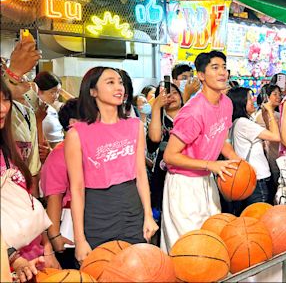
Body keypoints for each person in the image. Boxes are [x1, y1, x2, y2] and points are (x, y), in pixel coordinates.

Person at [65, 67, 158, 263]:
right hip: (96, 210)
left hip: (132, 207)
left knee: (137, 269)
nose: (119, 87)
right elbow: (77, 189)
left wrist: (148, 216)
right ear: (92, 91)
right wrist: (80, 239)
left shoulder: (134, 126)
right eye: (110, 82)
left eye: (120, 82)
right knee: (101, 270)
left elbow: (141, 174)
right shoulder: (76, 134)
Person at [161, 51, 240, 250]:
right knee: (188, 249)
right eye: (215, 67)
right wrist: (210, 164)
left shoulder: (227, 103)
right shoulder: (193, 112)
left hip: (207, 178)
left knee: (213, 242)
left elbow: (220, 139)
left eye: (224, 67)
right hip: (184, 185)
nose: (222, 72)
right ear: (201, 75)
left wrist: (238, 162)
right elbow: (169, 156)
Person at [1, 78, 59, 277]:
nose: (2, 108)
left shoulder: (9, 148)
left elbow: (28, 203)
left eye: (6, 100)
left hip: (33, 258)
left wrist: (47, 247)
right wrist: (13, 258)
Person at [40, 98, 80, 269]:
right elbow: (54, 197)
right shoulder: (59, 154)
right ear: (73, 123)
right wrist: (55, 236)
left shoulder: (89, 148)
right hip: (69, 227)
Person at [227, 87, 280, 212]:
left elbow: (269, 133)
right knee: (260, 216)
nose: (253, 101)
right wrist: (271, 111)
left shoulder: (236, 122)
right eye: (249, 99)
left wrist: (266, 114)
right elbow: (275, 137)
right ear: (241, 102)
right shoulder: (244, 123)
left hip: (250, 179)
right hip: (258, 180)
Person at [146, 83, 183, 232]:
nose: (171, 96)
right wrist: (156, 108)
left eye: (175, 92)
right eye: (165, 94)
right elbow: (154, 139)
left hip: (188, 174)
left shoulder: (190, 117)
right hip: (163, 177)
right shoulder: (158, 120)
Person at [254, 84, 282, 187]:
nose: (278, 97)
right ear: (267, 96)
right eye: (275, 94)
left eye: (280, 94)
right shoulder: (261, 115)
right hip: (271, 154)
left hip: (278, 153)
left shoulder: (279, 114)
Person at [33, 71, 63, 149]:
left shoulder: (52, 109)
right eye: (52, 92)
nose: (56, 96)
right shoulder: (31, 111)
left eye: (58, 92)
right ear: (39, 90)